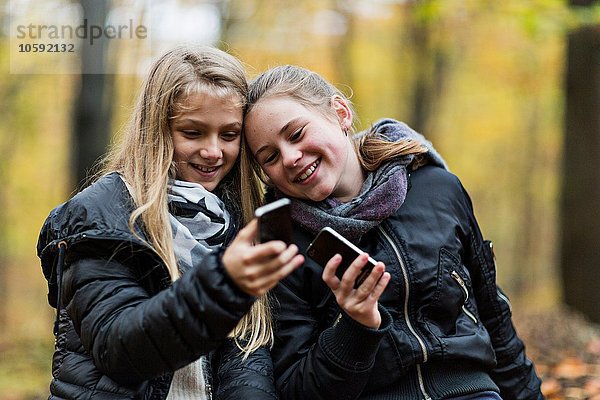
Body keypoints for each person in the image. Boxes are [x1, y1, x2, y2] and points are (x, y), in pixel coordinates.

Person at [239, 65, 544, 399]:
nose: (291, 158)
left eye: (296, 134)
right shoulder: (284, 245)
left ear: (340, 113)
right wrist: (355, 326)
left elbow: (495, 318)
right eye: (270, 157)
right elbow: (297, 390)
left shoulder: (438, 188)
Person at [36, 45, 303, 399]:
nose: (213, 152)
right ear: (156, 129)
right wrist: (224, 283)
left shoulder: (239, 222)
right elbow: (120, 350)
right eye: (192, 133)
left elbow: (247, 362)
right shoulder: (100, 216)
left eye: (229, 135)